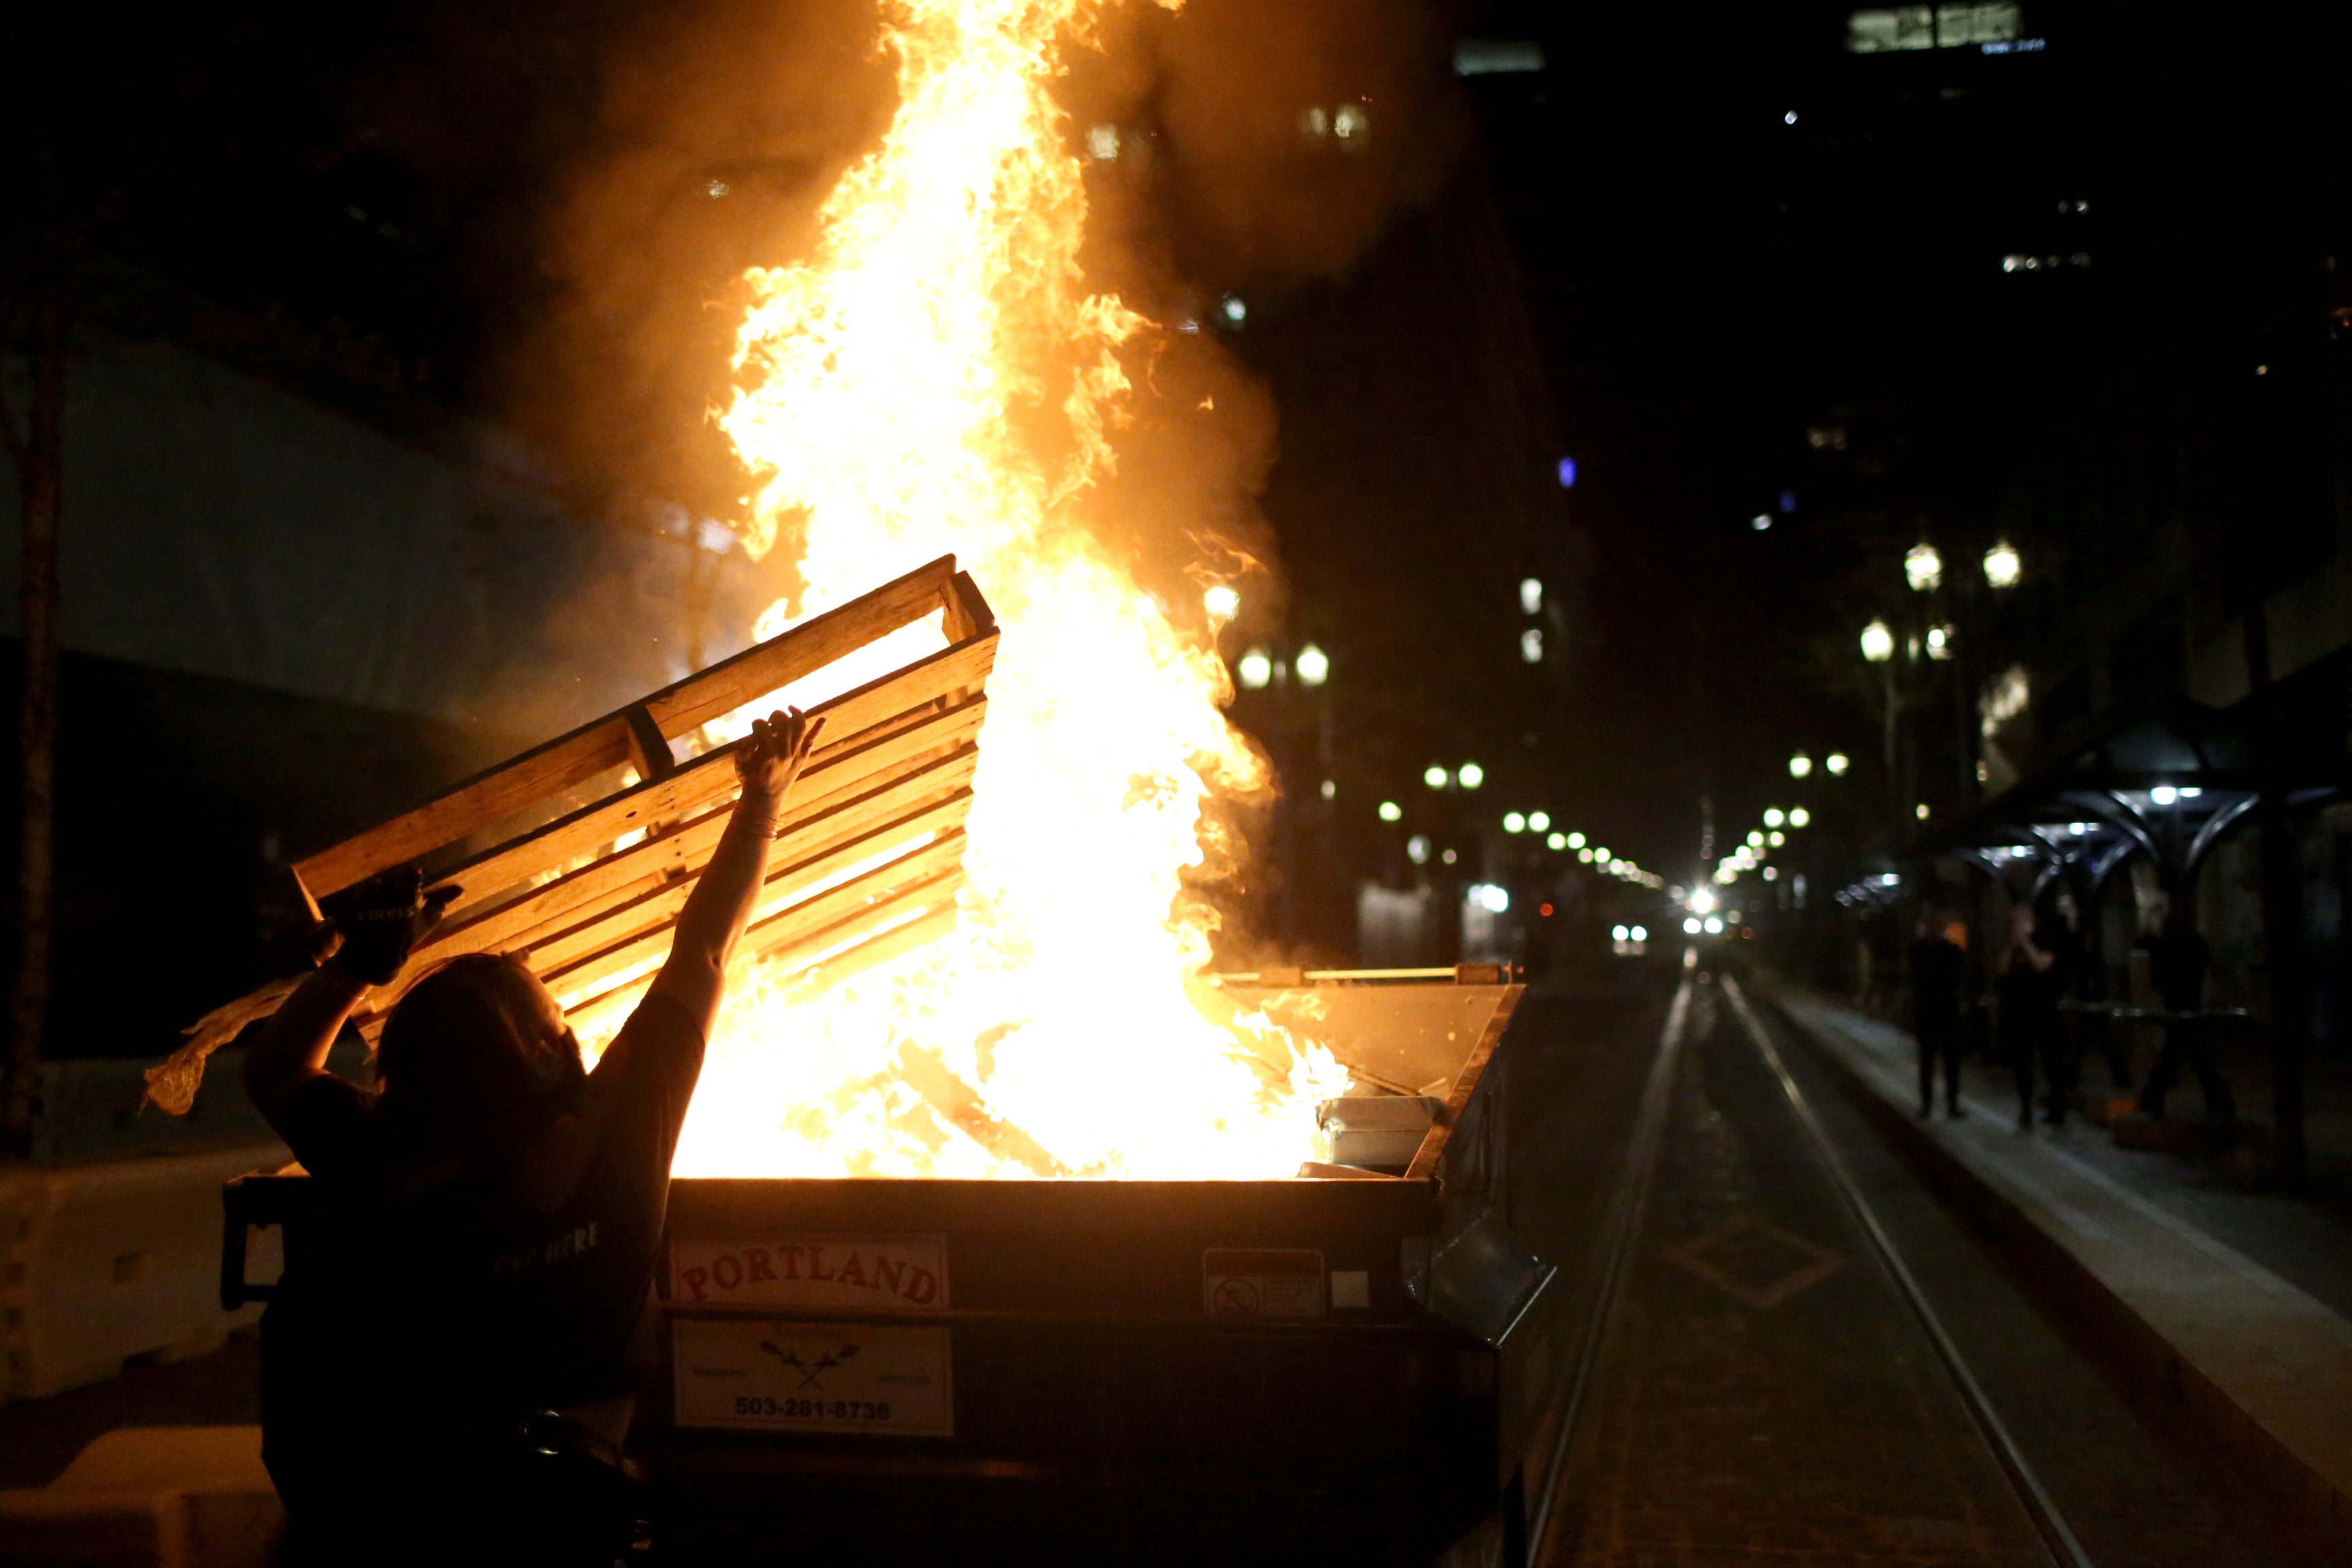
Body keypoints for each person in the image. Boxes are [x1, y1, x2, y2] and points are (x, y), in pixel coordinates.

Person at [243, 707, 823, 1565]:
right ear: (550, 1052)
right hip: (549, 1512)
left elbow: (275, 1072)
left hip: (374, 1508)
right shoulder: (614, 1140)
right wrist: (764, 799)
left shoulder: (380, 1154)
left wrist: (355, 971)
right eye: (556, 1014)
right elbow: (704, 951)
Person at [2138, 896, 2235, 1122]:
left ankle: (2153, 1101)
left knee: (2177, 1058)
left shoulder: (2166, 945)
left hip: (2177, 1006)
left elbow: (2158, 980)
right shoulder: (2194, 942)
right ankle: (2217, 1101)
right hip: (2190, 1004)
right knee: (2193, 1058)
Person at [1997, 902, 2070, 1129]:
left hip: (2045, 1009)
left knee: (2052, 1061)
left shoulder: (2045, 939)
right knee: (2022, 1063)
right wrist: (2013, 945)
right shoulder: (2012, 945)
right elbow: (2001, 970)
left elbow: (2041, 965)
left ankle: (2057, 1110)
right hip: (2020, 1012)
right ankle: (2026, 1109)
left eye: (2022, 918)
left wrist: (2027, 943)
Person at [1909, 908, 1967, 1118]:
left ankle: (1941, 1105)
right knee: (1932, 1063)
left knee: (1942, 1063)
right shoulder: (1921, 950)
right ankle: (1935, 1105)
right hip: (1934, 1012)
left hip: (1941, 1012)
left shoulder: (1947, 950)